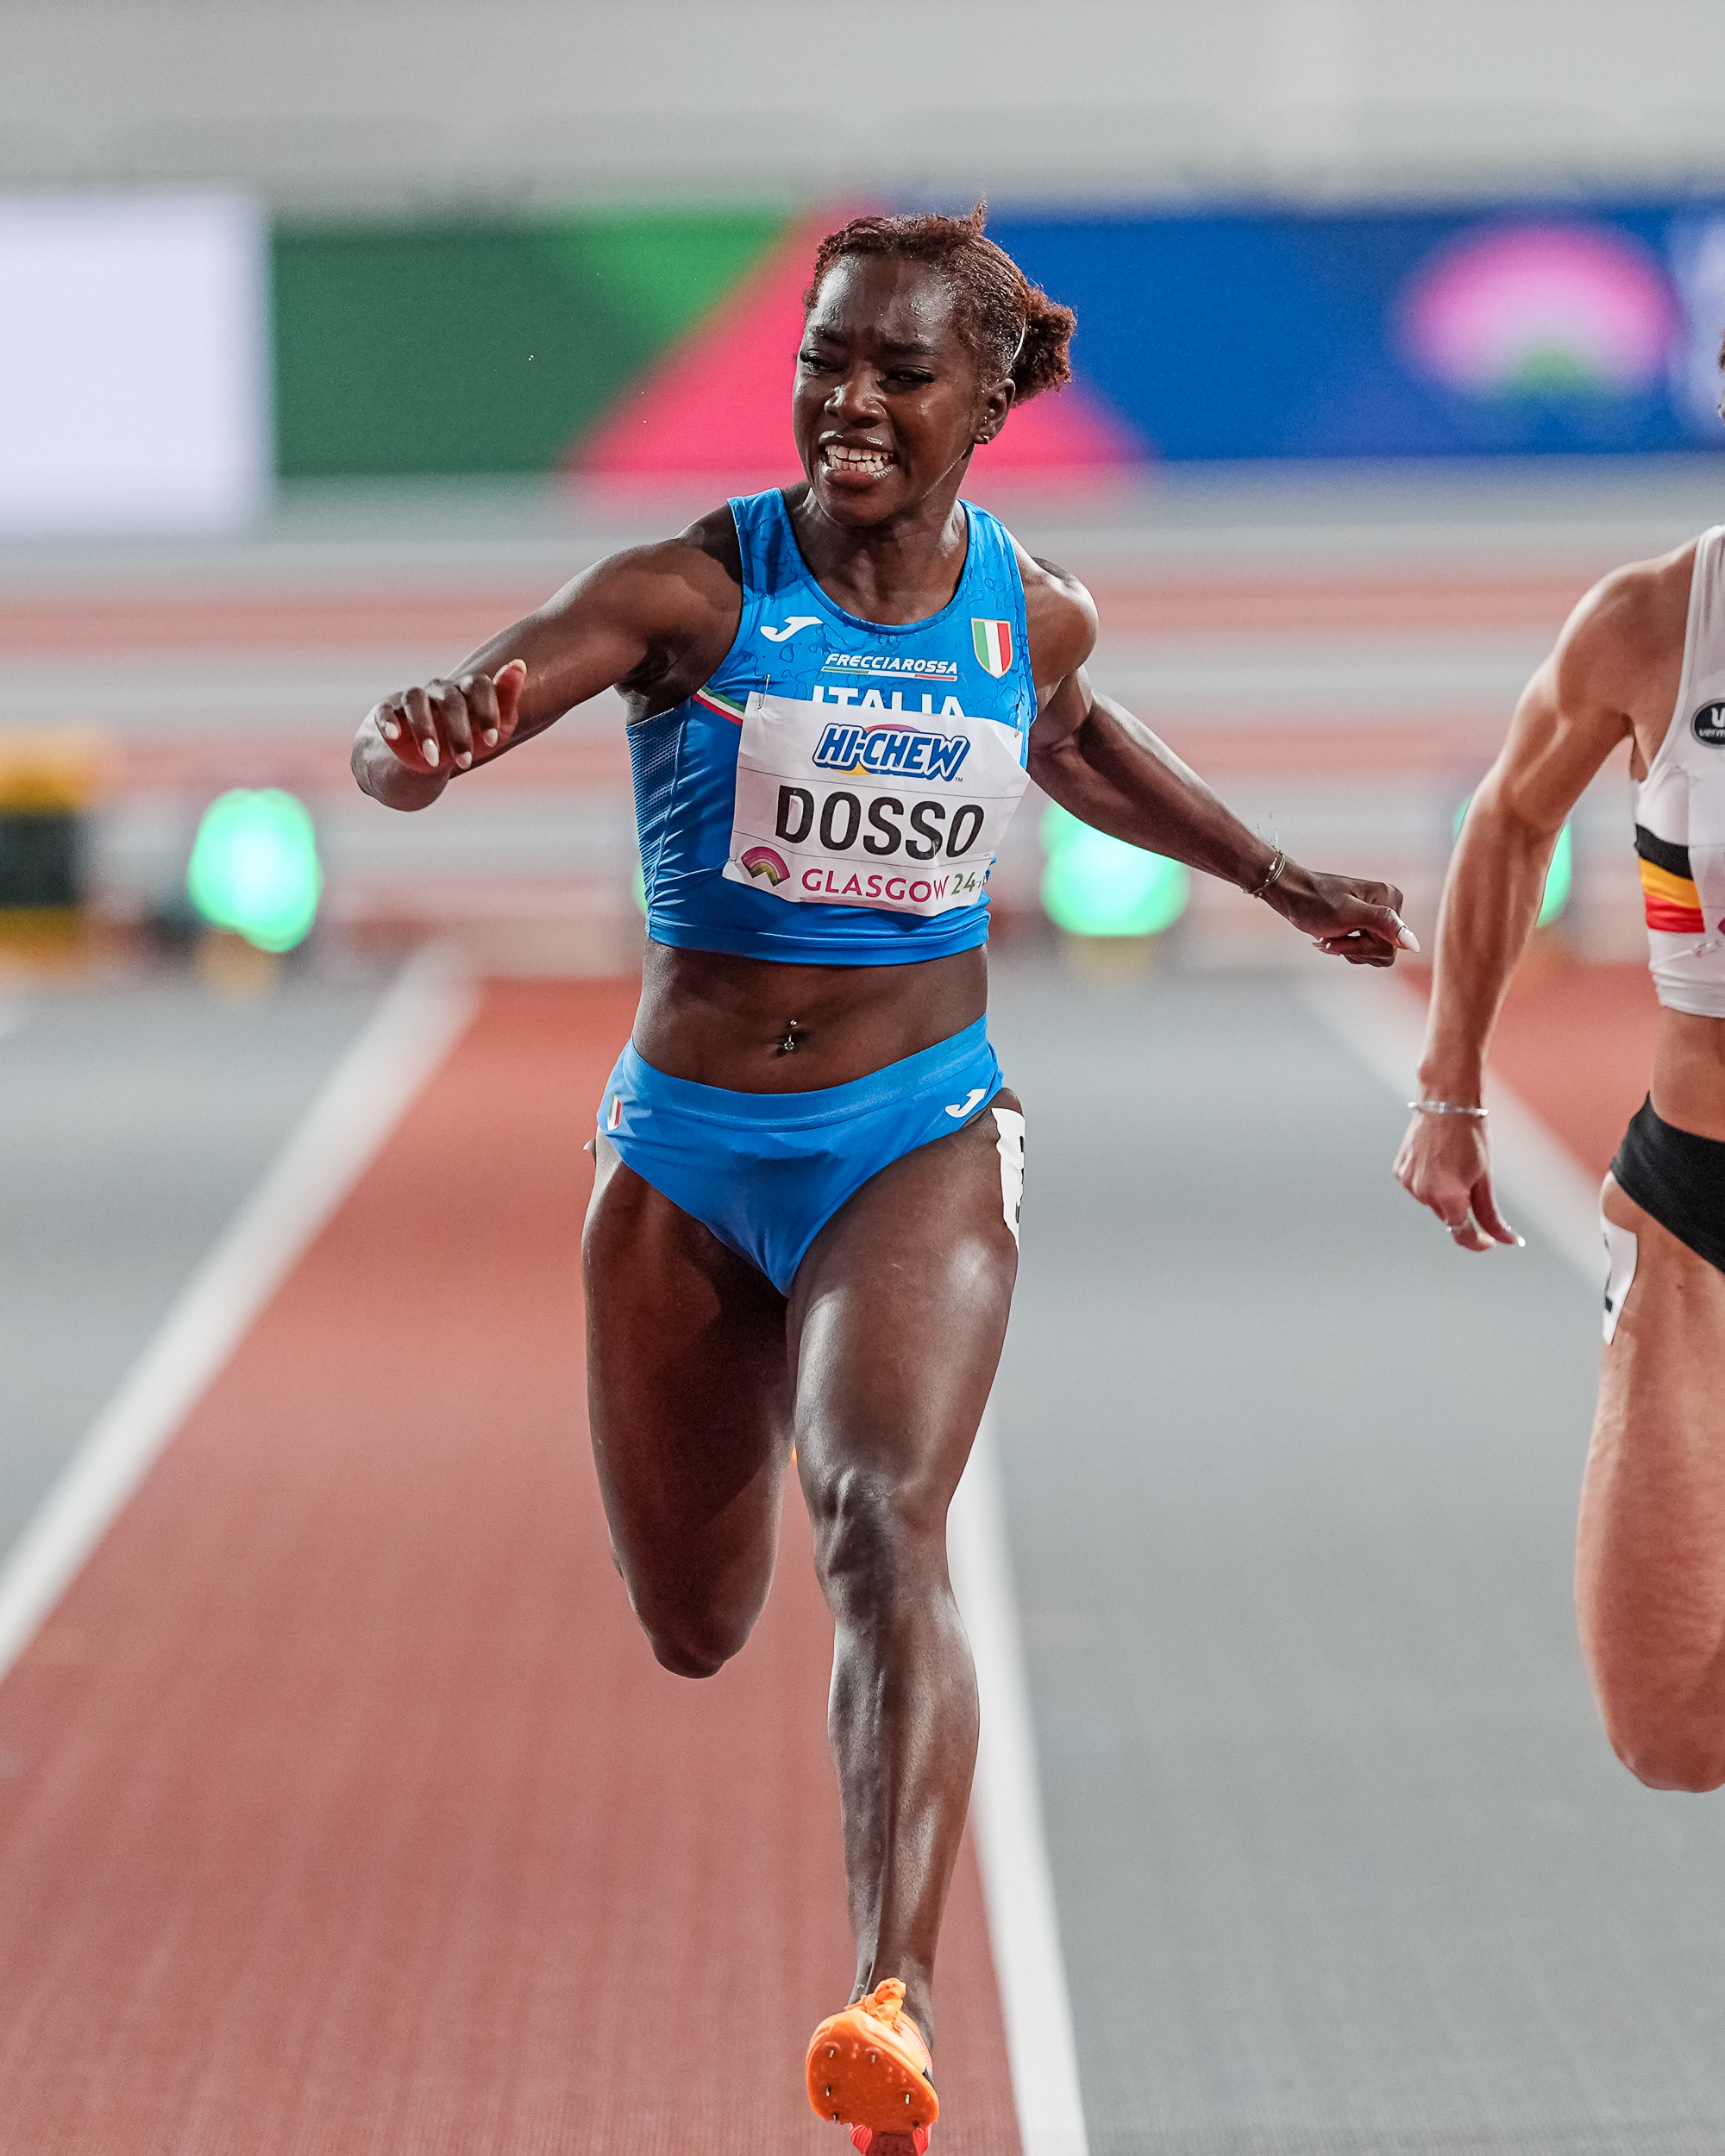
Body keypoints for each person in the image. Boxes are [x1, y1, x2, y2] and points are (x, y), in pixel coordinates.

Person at [353, 205, 1415, 2145]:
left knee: (878, 1516)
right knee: (695, 1625)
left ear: (987, 400)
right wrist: (419, 746)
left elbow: (1074, 740)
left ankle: (893, 2000)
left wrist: (1279, 878)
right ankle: (869, 1936)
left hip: (910, 1130)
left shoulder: (1033, 612)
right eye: (821, 361)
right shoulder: (689, 593)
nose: (847, 400)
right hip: (684, 1155)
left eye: (898, 371)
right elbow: (452, 717)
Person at [1394, 400, 1725, 1796]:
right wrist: (1449, 1086)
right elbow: (1512, 817)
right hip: (1700, 1205)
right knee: (1670, 1725)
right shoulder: (1658, 622)